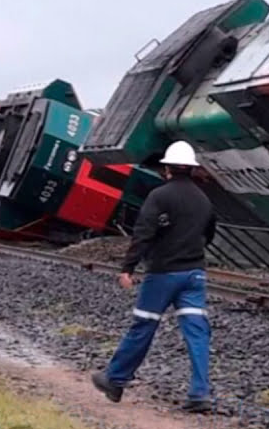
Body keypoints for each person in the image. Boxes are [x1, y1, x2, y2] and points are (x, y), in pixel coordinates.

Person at [91, 141, 217, 413]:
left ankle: (114, 380)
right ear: (192, 169)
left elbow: (143, 233)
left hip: (162, 274)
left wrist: (128, 268)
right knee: (197, 332)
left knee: (144, 326)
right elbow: (209, 235)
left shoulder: (159, 196)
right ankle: (200, 393)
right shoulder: (204, 200)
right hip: (194, 274)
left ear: (167, 168)